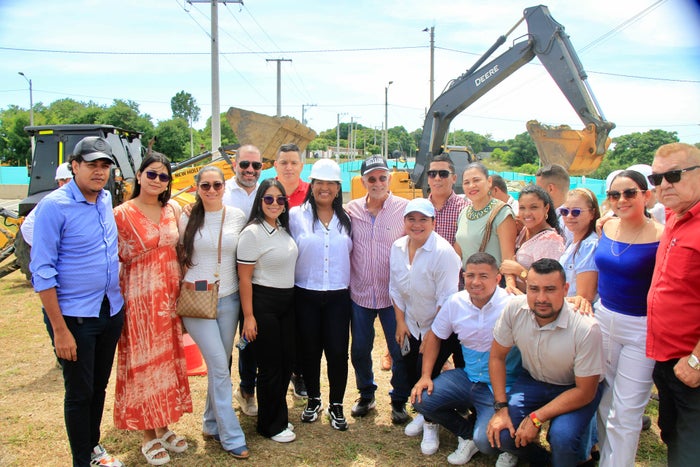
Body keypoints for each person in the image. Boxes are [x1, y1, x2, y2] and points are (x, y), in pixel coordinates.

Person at [30, 136, 125, 467]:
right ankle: (81, 460)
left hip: (109, 310)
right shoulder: (54, 207)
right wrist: (60, 331)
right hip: (75, 318)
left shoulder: (105, 199)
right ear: (74, 166)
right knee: (79, 392)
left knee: (98, 386)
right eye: (91, 165)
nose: (99, 172)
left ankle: (93, 447)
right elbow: (42, 272)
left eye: (104, 165)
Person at [113, 153, 192, 465]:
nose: (157, 180)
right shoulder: (121, 214)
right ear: (139, 175)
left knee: (167, 362)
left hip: (170, 298)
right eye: (152, 174)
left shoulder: (171, 209)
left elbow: (182, 248)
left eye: (163, 176)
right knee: (144, 364)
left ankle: (163, 424)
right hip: (139, 300)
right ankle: (148, 434)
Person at [486, 258, 604, 466]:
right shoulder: (514, 309)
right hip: (533, 380)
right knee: (504, 433)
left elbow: (585, 391)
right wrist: (501, 408)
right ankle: (547, 461)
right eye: (534, 289)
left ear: (565, 289)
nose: (541, 298)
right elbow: (497, 357)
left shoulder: (586, 327)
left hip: (574, 387)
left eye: (550, 289)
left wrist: (536, 417)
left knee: (562, 438)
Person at [411, 252, 521, 466]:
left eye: (483, 276)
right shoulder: (456, 302)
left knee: (487, 443)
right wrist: (425, 376)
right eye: (470, 275)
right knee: (420, 398)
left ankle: (506, 446)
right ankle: (467, 434)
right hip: (468, 377)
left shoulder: (513, 304)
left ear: (497, 279)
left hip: (501, 386)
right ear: (463, 277)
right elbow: (435, 337)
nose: (476, 282)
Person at [178, 166, 249, 459]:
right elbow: (177, 256)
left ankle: (210, 422)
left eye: (217, 185)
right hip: (197, 299)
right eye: (205, 185)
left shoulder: (237, 216)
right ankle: (231, 435)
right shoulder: (186, 217)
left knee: (222, 363)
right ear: (197, 187)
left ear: (224, 187)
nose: (211, 190)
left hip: (229, 300)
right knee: (219, 366)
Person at [594, 169, 663, 466]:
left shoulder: (662, 235)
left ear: (646, 195)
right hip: (603, 319)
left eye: (630, 193)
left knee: (626, 411)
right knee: (604, 401)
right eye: (614, 194)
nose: (621, 199)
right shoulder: (606, 226)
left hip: (641, 328)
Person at [389, 198, 462, 449]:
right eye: (411, 219)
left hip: (440, 326)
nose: (417, 224)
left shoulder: (444, 253)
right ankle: (423, 412)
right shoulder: (397, 247)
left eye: (423, 219)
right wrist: (400, 321)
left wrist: (432, 334)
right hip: (411, 323)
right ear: (404, 221)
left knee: (428, 373)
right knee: (411, 370)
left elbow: (447, 299)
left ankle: (431, 424)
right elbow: (395, 288)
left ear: (433, 222)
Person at [346, 156, 411, 424]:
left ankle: (399, 399)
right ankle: (366, 394)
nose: (377, 183)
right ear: (363, 182)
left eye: (382, 178)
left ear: (390, 179)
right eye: (371, 179)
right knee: (360, 349)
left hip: (392, 296)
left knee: (399, 351)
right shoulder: (351, 210)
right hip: (360, 294)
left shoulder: (404, 209)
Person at [647, 142, 700, 466]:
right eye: (657, 178)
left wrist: (696, 360)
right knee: (671, 434)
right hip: (665, 359)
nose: (664, 185)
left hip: (691, 363)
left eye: (674, 175)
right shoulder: (674, 216)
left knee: (690, 451)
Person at [289, 159, 353, 431]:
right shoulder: (295, 216)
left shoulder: (348, 219)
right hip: (306, 293)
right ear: (311, 185)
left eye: (330, 183)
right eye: (319, 182)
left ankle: (336, 404)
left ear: (338, 188)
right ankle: (313, 399)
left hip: (338, 296)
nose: (324, 188)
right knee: (309, 351)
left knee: (338, 352)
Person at [237, 179, 299, 443]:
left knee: (286, 364)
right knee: (270, 366)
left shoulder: (283, 230)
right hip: (264, 303)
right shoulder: (252, 233)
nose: (275, 203)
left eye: (280, 199)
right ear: (260, 201)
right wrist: (249, 317)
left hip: (287, 303)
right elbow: (244, 279)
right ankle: (269, 425)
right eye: (269, 198)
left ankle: (278, 416)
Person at [226, 144, 264, 419]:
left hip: (257, 279)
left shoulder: (267, 193)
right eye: (245, 164)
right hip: (227, 278)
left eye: (256, 165)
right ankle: (219, 395)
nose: (250, 170)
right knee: (223, 341)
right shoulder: (221, 190)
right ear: (234, 165)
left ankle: (247, 389)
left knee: (249, 338)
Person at [273, 142, 309, 397]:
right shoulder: (267, 191)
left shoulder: (311, 193)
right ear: (275, 165)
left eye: (294, 162)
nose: (289, 167)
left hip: (303, 273)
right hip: (273, 274)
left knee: (302, 329)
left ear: (301, 166)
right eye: (284, 162)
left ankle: (299, 374)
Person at [454, 162, 517, 288]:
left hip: (493, 285)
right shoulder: (463, 213)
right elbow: (459, 251)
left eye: (476, 180)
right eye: (466, 182)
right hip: (470, 284)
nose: (471, 186)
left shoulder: (501, 212)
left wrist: (510, 284)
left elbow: (508, 257)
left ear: (489, 182)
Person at [500, 185, 565, 294]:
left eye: (533, 207)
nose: (527, 213)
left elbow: (548, 283)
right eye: (522, 208)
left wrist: (519, 270)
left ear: (546, 209)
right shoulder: (523, 230)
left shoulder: (550, 241)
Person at [559, 188, 601, 303]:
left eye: (576, 212)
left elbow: (584, 297)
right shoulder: (572, 242)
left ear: (592, 213)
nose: (569, 216)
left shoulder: (589, 245)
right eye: (564, 211)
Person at [20, 162, 73, 246]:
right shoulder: (53, 202)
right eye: (74, 180)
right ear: (61, 183)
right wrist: (47, 247)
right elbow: (27, 228)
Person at [426, 153, 468, 246]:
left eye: (443, 174)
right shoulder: (420, 209)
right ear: (428, 179)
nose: (437, 178)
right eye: (432, 174)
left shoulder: (465, 210)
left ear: (454, 178)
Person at [536, 164, 572, 244]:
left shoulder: (569, 221)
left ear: (550, 188)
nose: (535, 194)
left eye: (538, 190)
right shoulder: (551, 216)